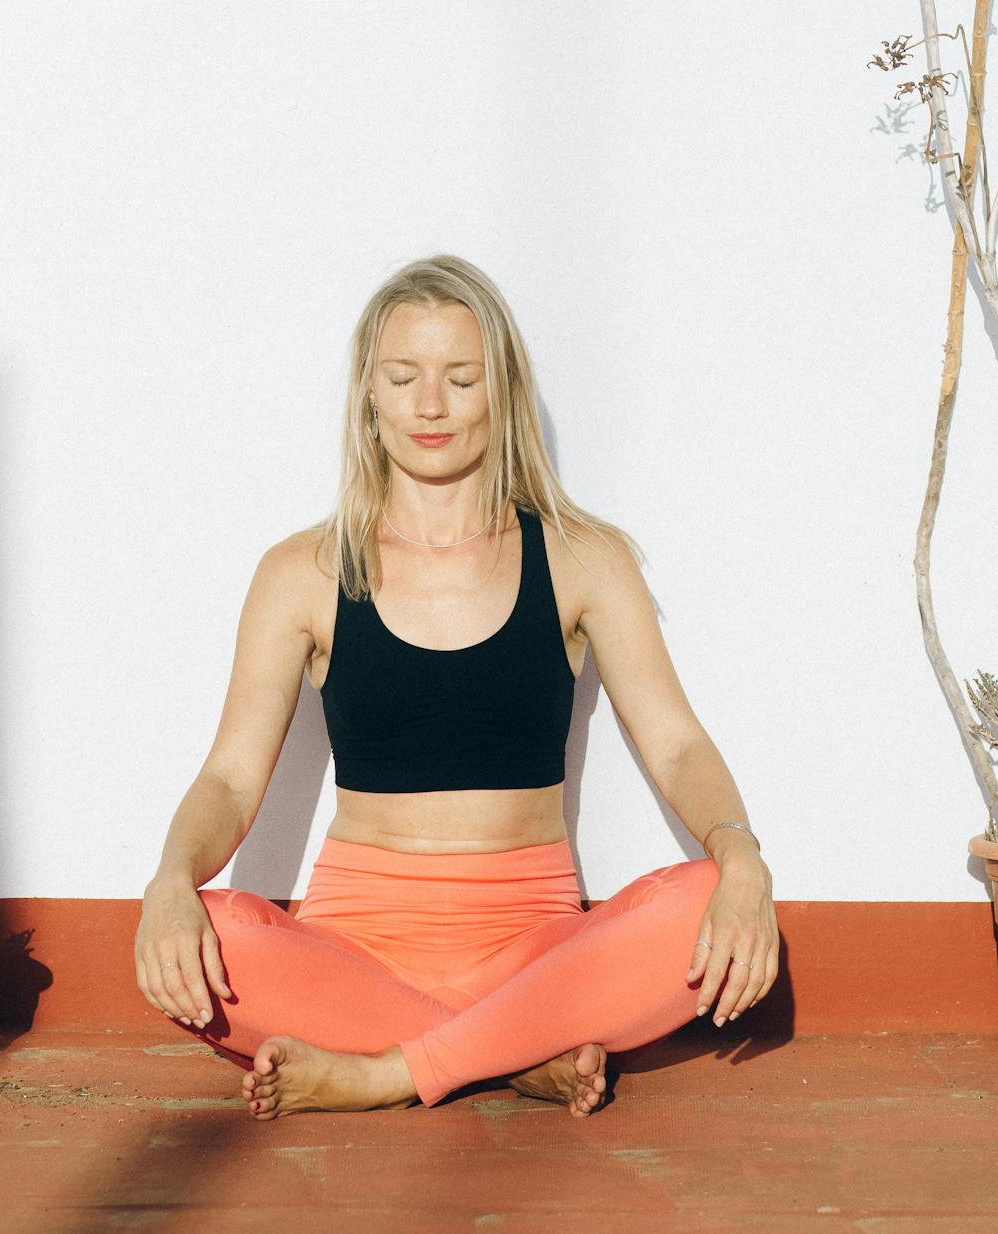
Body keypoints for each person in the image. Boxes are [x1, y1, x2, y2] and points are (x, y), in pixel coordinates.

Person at [135, 254, 778, 1119]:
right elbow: (228, 778)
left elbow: (677, 743)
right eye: (403, 378)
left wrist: (742, 859)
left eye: (460, 379)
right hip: (353, 951)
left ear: (500, 389)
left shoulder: (584, 558)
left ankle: (387, 1070)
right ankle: (515, 1055)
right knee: (204, 934)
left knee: (702, 897)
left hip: (538, 946)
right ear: (370, 392)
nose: (429, 406)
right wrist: (170, 882)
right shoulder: (302, 572)